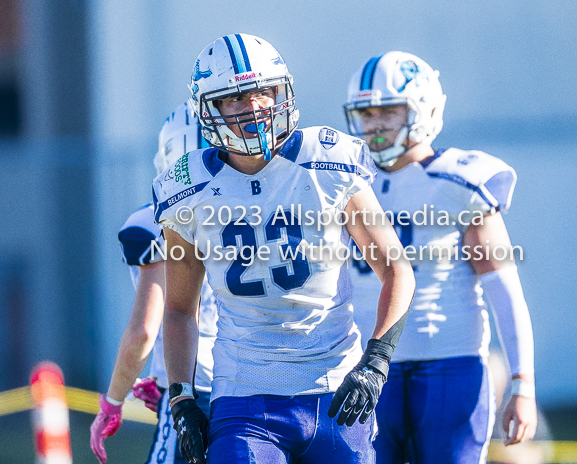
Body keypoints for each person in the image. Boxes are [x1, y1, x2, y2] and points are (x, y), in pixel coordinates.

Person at [151, 33, 416, 464]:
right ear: (209, 108)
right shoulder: (188, 189)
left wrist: (376, 362)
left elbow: (397, 269)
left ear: (283, 91)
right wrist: (181, 397)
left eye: (263, 92)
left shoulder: (326, 160)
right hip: (244, 396)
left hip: (336, 388)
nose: (253, 107)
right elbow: (180, 308)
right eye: (235, 99)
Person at [343, 51, 537, 463]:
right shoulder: (346, 182)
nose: (375, 124)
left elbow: (504, 288)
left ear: (424, 109)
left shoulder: (459, 180)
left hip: (450, 364)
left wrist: (523, 382)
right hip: (370, 367)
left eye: (388, 110)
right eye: (366, 113)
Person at [90, 102, 218, 464]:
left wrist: (112, 403)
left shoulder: (154, 221)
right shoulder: (246, 211)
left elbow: (143, 332)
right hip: (250, 387)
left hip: (193, 391)